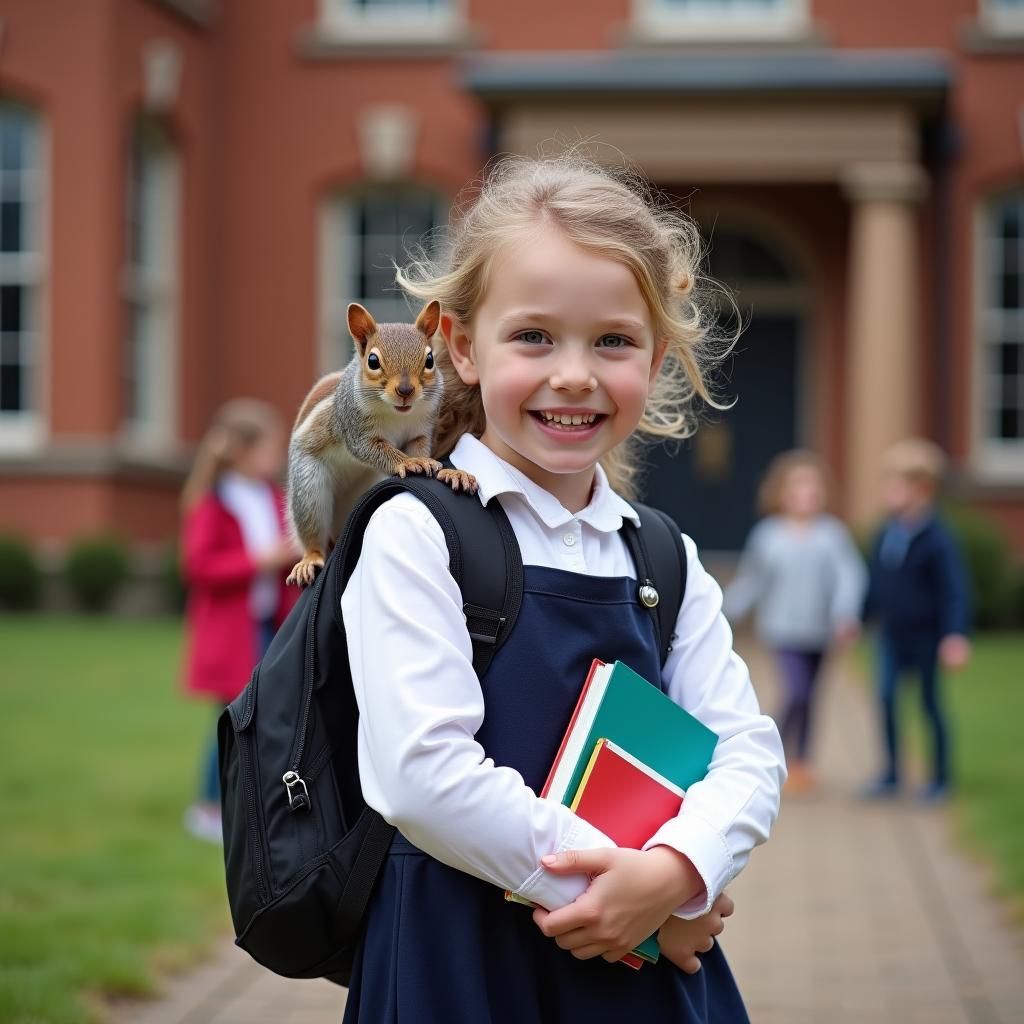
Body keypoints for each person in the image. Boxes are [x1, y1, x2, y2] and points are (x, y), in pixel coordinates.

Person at [339, 154, 786, 1023]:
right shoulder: (416, 532)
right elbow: (422, 775)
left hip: (642, 982)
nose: (575, 373)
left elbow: (748, 751)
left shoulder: (664, 557)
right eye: (534, 337)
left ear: (656, 357)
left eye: (613, 340)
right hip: (459, 965)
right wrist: (622, 896)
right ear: (461, 348)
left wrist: (678, 873)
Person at [179, 398, 298, 842]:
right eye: (269, 447)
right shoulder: (213, 501)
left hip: (271, 624)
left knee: (265, 718)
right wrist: (259, 560)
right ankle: (209, 807)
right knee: (233, 720)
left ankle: (249, 804)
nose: (277, 456)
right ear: (243, 450)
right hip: (233, 632)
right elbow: (199, 566)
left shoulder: (272, 496)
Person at [723, 451, 866, 794]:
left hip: (820, 632)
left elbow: (850, 576)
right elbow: (752, 580)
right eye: (799, 487)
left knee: (811, 697)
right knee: (796, 692)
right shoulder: (768, 535)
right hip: (781, 631)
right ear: (783, 493)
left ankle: (802, 762)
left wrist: (846, 614)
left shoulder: (831, 535)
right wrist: (725, 611)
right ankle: (773, 750)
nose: (807, 494)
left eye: (813, 487)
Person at [861, 438, 972, 803]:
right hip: (892, 635)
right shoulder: (886, 533)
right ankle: (891, 774)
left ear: (922, 490)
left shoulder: (938, 539)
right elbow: (876, 583)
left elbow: (954, 590)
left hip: (926, 636)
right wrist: (859, 617)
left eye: (896, 485)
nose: (887, 492)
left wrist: (954, 635)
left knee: (929, 704)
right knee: (886, 697)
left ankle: (940, 778)